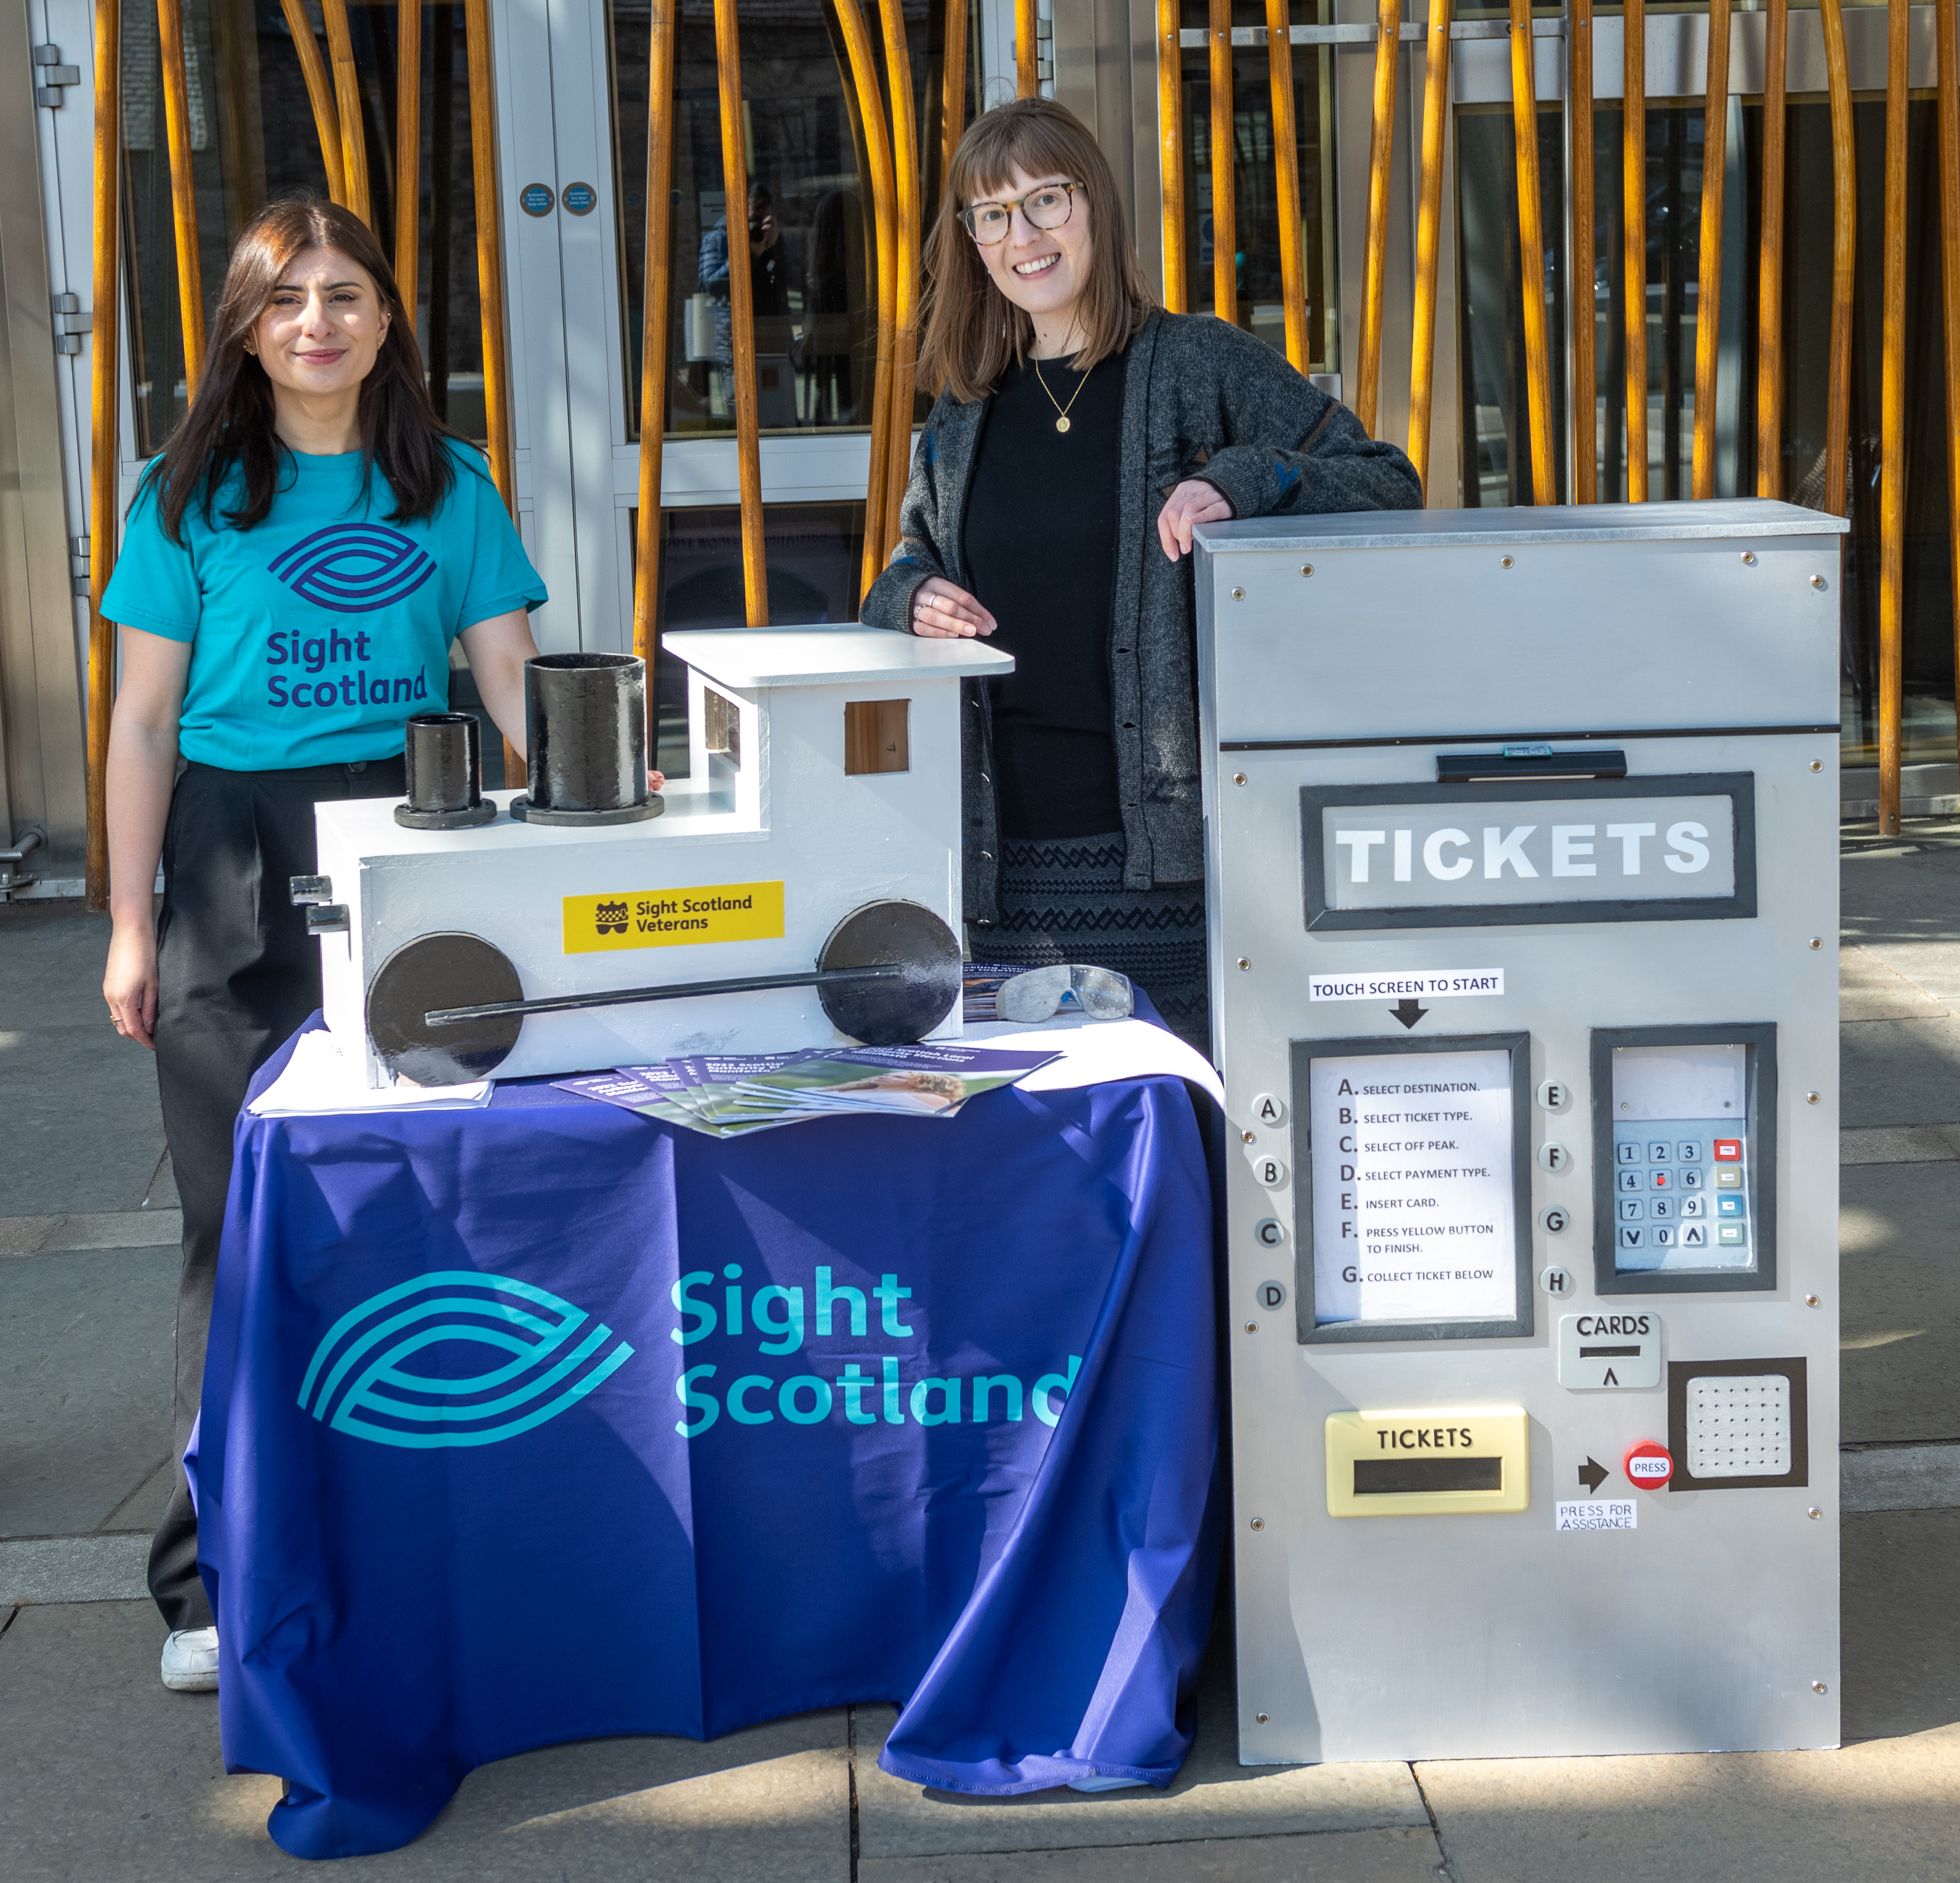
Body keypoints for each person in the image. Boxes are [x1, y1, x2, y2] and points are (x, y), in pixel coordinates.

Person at [98, 198, 661, 1693]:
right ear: (244, 327)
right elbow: (142, 722)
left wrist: (613, 805)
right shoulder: (185, 493)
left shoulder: (445, 482)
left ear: (386, 317)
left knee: (429, 1202)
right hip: (231, 853)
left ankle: (425, 1534)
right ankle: (210, 1580)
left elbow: (513, 686)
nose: (318, 323)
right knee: (235, 1221)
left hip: (416, 843)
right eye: (287, 300)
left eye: (345, 294)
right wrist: (131, 923)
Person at [860, 100, 1422, 1052]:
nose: (1023, 236)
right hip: (1000, 880)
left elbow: (1386, 480)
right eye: (992, 214)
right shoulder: (965, 406)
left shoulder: (1197, 363)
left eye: (1046, 200)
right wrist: (909, 597)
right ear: (971, 242)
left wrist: (1242, 480)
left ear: (1096, 205)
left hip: (1168, 876)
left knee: (1169, 1122)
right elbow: (906, 565)